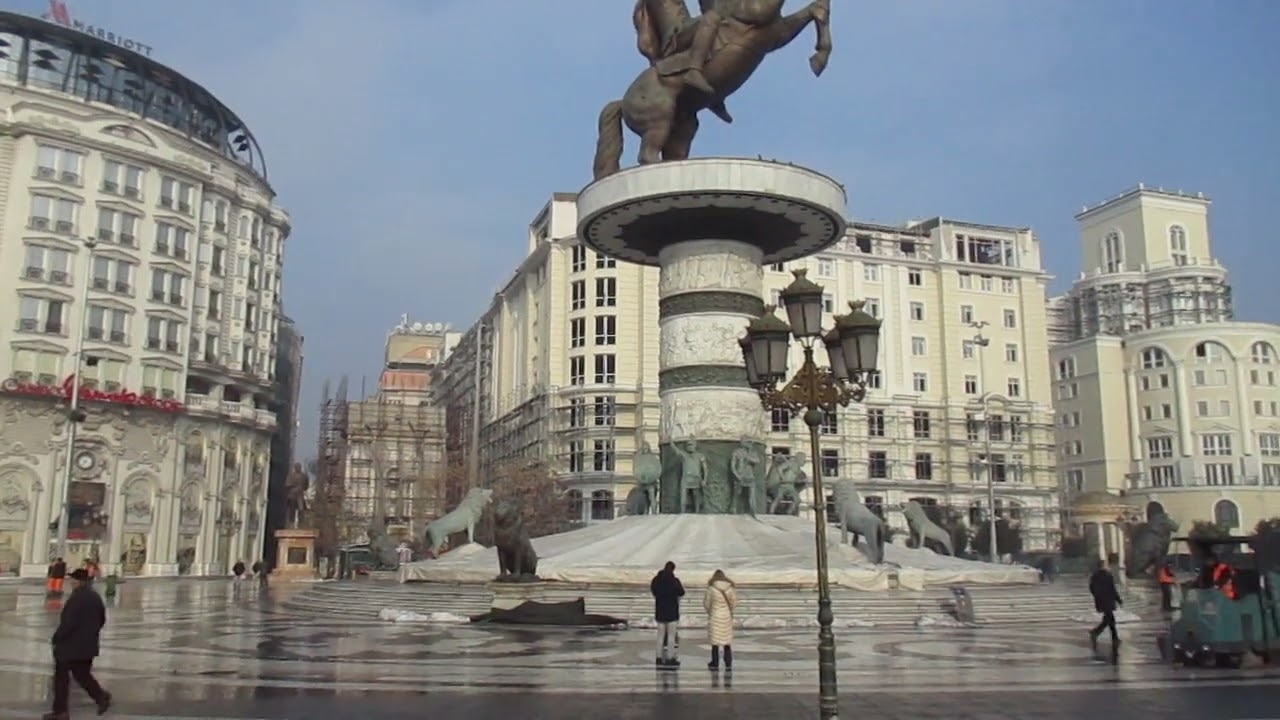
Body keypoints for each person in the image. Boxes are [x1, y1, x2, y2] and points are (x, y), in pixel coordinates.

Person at [45, 568, 111, 720]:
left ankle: (61, 712)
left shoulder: (77, 598)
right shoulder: (95, 597)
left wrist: (57, 638)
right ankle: (101, 697)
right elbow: (101, 620)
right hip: (88, 645)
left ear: (79, 582)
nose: (71, 583)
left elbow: (69, 623)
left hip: (70, 646)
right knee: (82, 675)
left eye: (73, 580)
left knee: (61, 679)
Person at [650, 561, 685, 668]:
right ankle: (670, 658)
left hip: (660, 611)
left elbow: (653, 590)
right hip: (672, 612)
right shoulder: (674, 581)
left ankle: (658, 657)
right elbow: (681, 592)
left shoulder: (656, 580)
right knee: (671, 637)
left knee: (660, 636)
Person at [703, 569, 738, 670]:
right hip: (726, 616)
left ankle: (715, 661)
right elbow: (734, 602)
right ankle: (728, 661)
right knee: (727, 641)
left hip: (715, 615)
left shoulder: (711, 589)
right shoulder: (730, 588)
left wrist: (711, 611)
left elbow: (706, 603)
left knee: (715, 642)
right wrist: (729, 609)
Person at [1088, 559, 1123, 656]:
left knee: (1109, 619)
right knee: (1110, 618)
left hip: (1101, 600)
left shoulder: (1094, 576)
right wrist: (1118, 599)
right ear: (1103, 566)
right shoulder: (1108, 576)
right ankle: (1097, 633)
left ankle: (1102, 634)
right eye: (1106, 565)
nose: (1108, 566)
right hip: (1108, 600)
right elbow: (1112, 589)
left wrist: (1096, 595)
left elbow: (1091, 587)